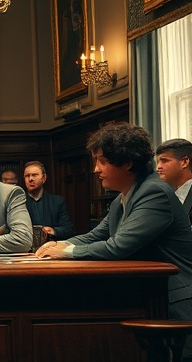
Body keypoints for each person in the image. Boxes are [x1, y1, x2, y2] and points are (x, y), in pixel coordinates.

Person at [36, 122, 192, 357]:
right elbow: (97, 234)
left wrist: (66, 253)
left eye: (103, 161)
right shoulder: (129, 193)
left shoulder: (153, 192)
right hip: (152, 296)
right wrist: (62, 244)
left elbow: (119, 246)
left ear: (127, 162)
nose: (96, 169)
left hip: (175, 301)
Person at [23, 161, 73, 241]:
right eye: (27, 176)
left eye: (34, 175)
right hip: (26, 248)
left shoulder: (57, 201)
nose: (30, 179)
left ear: (44, 178)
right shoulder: (19, 202)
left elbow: (68, 229)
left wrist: (53, 231)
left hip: (52, 247)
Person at [156, 138, 192, 220]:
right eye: (157, 162)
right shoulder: (165, 196)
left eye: (164, 161)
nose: (158, 167)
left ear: (184, 162)